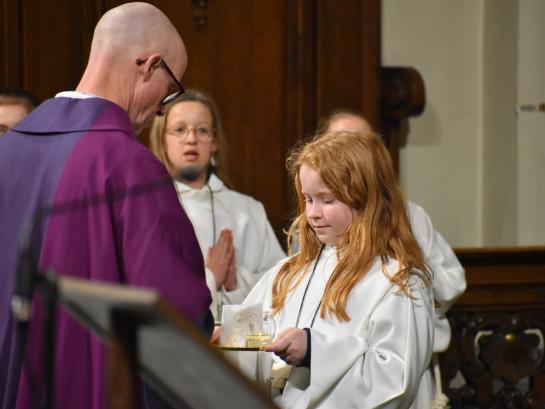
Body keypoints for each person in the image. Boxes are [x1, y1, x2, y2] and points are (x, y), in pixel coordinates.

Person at [0, 3, 212, 409]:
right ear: (149, 65)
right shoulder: (129, 165)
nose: (160, 110)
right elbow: (172, 317)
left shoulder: (8, 151)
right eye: (169, 91)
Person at [234, 130, 435, 408]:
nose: (313, 213)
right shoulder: (289, 272)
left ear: (367, 200)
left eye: (327, 200)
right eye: (308, 199)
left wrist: (313, 351)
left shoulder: (396, 281)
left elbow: (394, 382)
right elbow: (258, 335)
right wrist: (226, 336)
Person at [318, 109, 467, 407]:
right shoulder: (316, 220)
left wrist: (405, 260)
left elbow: (451, 283)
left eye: (361, 144)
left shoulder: (410, 216)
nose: (349, 155)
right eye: (339, 144)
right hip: (334, 373)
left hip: (401, 369)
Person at [149, 89, 285, 321]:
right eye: (179, 130)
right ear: (162, 139)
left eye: (202, 130)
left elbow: (282, 285)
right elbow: (150, 284)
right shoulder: (150, 207)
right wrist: (212, 277)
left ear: (214, 142)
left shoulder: (248, 210)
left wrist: (235, 282)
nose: (191, 139)